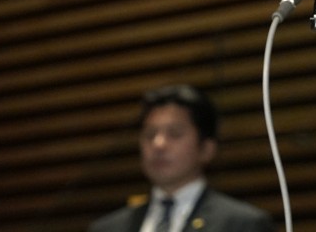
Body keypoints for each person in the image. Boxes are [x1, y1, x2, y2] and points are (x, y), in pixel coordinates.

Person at [89, 84, 273, 232]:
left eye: (175, 134)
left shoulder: (243, 225)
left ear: (206, 149)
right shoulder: (108, 228)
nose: (158, 144)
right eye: (150, 134)